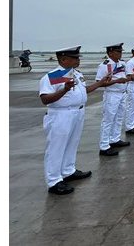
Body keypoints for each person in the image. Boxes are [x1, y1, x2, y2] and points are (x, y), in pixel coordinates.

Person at [39, 46, 110, 195]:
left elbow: (84, 90)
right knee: (56, 147)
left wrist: (101, 83)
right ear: (63, 59)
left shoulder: (76, 74)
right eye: (75, 58)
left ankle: (68, 170)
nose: (78, 60)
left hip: (77, 112)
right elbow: (45, 99)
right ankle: (54, 181)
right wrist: (64, 89)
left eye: (78, 58)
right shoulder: (52, 76)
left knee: (72, 143)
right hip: (61, 115)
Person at [95, 43, 130, 157]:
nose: (120, 54)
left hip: (122, 94)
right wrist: (116, 81)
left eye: (121, 52)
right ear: (110, 53)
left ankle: (115, 139)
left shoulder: (122, 64)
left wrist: (129, 78)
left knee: (119, 117)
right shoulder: (105, 65)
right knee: (108, 119)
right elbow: (99, 83)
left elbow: (125, 76)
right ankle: (104, 146)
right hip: (112, 95)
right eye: (118, 52)